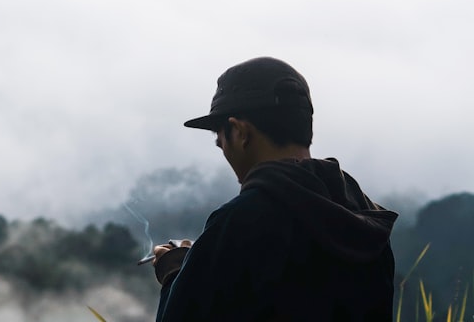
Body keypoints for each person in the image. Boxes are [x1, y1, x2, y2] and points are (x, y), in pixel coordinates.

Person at [148, 56, 398, 322]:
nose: (224, 152)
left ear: (240, 132)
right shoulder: (367, 221)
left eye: (221, 142)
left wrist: (175, 274)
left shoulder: (238, 223)